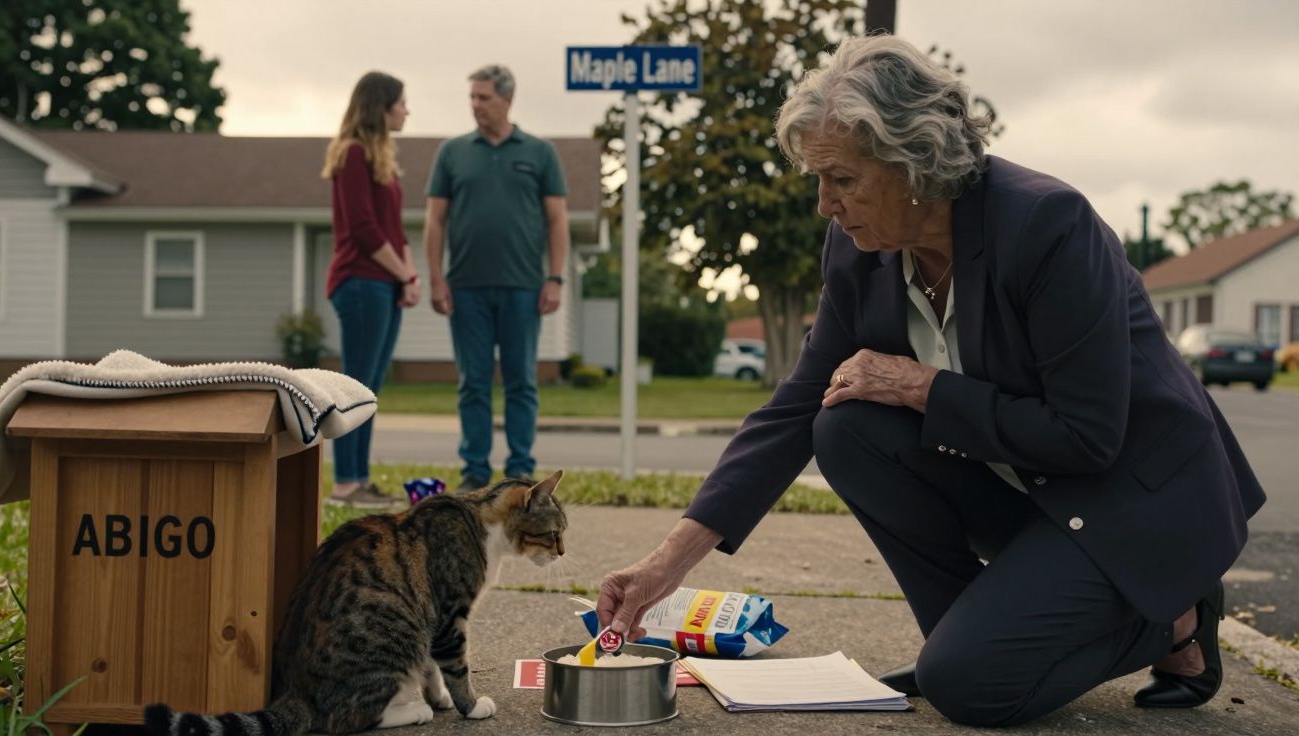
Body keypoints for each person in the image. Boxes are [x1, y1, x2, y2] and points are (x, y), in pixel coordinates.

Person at [595, 35, 1264, 727]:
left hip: (1134, 503)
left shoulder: (1047, 226)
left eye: (843, 180)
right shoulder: (860, 252)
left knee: (972, 690)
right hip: (1036, 496)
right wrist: (666, 566)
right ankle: (971, 641)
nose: (825, 204)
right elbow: (795, 408)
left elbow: (1088, 439)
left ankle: (1174, 616)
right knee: (845, 425)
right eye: (817, 180)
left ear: (912, 163)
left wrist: (922, 388)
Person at [425, 64, 569, 492]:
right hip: (465, 286)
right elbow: (435, 221)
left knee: (521, 380)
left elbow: (557, 220)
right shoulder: (452, 153)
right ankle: (474, 468)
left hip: (524, 287)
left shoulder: (540, 153)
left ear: (507, 100)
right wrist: (436, 278)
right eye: (472, 97)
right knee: (472, 382)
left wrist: (555, 278)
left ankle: (521, 468)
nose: (476, 105)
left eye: (484, 98)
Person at [321, 71, 421, 508]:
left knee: (369, 390)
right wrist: (403, 274)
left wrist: (409, 275)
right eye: (401, 102)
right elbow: (363, 229)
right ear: (381, 107)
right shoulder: (353, 154)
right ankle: (345, 483)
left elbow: (394, 230)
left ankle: (358, 479)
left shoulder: (382, 158)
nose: (406, 110)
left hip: (384, 282)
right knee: (354, 385)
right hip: (360, 283)